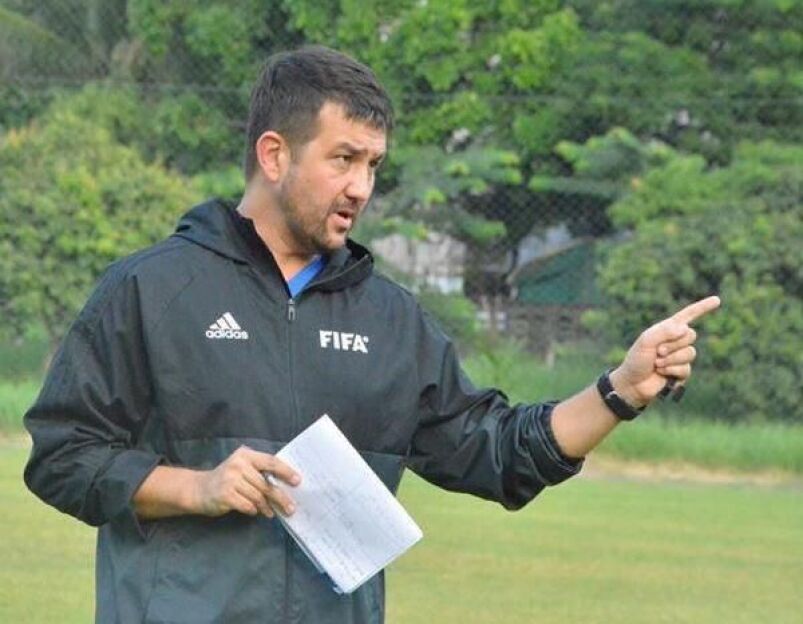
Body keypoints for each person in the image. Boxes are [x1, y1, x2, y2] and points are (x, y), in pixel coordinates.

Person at [23, 45, 719, 624]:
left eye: (373, 165)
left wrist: (620, 390)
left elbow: (500, 453)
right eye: (343, 158)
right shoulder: (151, 289)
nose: (361, 186)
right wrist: (197, 488)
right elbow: (62, 456)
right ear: (274, 155)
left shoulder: (389, 319)